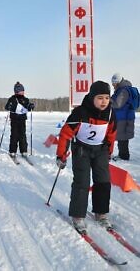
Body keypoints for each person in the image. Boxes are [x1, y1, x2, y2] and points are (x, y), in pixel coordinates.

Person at [56, 81, 117, 233]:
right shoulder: (80, 113)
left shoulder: (110, 114)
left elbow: (111, 134)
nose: (104, 102)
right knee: (82, 182)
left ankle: (101, 213)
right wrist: (61, 155)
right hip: (82, 150)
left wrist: (109, 151)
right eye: (100, 98)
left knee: (103, 181)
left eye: (107, 98)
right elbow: (65, 134)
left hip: (100, 150)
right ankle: (78, 216)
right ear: (92, 97)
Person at [5, 82, 34, 158]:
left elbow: (28, 107)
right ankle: (12, 151)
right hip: (14, 120)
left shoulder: (25, 99)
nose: (23, 92)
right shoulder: (12, 99)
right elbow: (7, 107)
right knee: (14, 135)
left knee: (22, 136)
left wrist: (31, 106)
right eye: (22, 90)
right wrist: (11, 107)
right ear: (17, 91)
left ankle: (24, 151)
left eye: (23, 90)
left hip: (22, 120)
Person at [111, 73, 135, 160]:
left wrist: (107, 101)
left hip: (124, 118)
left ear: (117, 82)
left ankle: (124, 156)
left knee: (123, 137)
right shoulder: (121, 89)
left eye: (113, 83)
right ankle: (122, 154)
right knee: (122, 136)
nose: (112, 85)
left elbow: (118, 104)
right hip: (123, 117)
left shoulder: (123, 91)